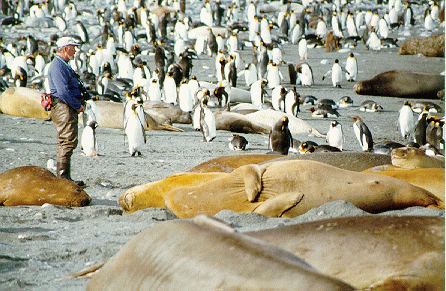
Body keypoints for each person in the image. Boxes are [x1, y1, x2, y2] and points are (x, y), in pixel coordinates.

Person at [48, 36, 85, 186]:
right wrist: (77, 105)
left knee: (68, 140)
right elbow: (63, 91)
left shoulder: (62, 64)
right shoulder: (57, 66)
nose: (75, 50)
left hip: (66, 106)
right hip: (63, 106)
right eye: (73, 47)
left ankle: (64, 177)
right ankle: (63, 178)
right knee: (66, 140)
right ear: (65, 49)